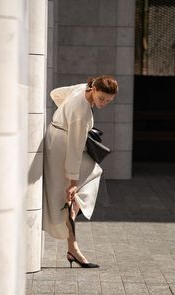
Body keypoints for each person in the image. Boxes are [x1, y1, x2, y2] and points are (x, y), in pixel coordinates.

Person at [42, 75, 118, 268]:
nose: (103, 103)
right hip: (62, 146)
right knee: (72, 193)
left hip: (58, 136)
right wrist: (73, 182)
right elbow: (74, 150)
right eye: (101, 98)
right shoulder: (81, 112)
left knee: (82, 185)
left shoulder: (82, 88)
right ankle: (72, 247)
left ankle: (72, 245)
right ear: (94, 90)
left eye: (108, 101)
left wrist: (63, 116)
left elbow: (55, 94)